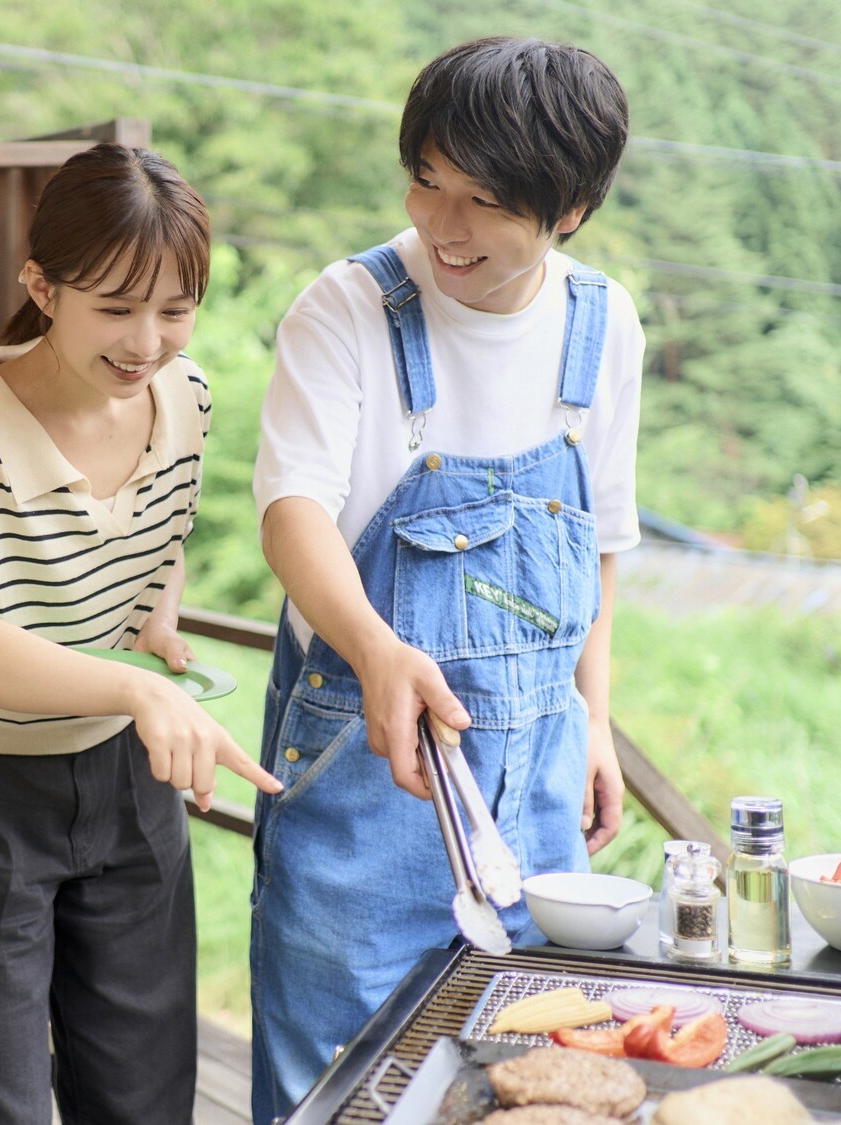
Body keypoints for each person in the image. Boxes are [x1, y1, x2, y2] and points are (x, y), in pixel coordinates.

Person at [249, 37, 643, 1121]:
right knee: (339, 1095)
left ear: (567, 208)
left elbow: (601, 538)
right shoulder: (347, 309)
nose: (439, 224)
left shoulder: (602, 326)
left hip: (540, 796)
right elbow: (290, 513)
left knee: (536, 1092)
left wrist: (593, 720)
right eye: (425, 180)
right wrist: (376, 648)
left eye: (481, 201)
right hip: (363, 779)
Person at [0, 141, 284, 1125]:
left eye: (173, 309)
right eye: (113, 307)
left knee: (144, 1097)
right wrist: (140, 692)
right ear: (42, 287)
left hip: (122, 783)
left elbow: (163, 527)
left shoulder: (184, 398)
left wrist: (151, 616)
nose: (146, 340)